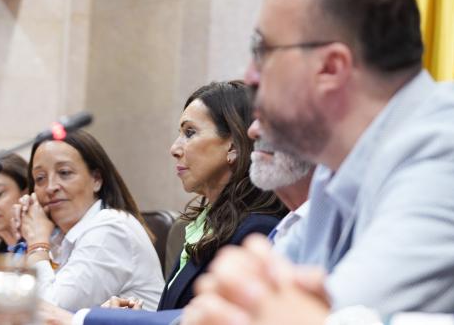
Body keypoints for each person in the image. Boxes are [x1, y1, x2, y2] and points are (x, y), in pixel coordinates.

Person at [183, 0, 454, 323]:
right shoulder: (340, 168)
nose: (251, 77)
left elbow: (325, 317)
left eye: (263, 53)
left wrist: (253, 300)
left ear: (331, 68)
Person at [38, 80, 290, 324]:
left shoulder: (256, 231)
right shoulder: (203, 223)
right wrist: (131, 319)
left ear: (233, 145)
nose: (174, 148)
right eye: (38, 178)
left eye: (190, 133)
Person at [15, 130, 164, 312]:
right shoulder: (58, 237)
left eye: (64, 172)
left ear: (96, 180)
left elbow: (48, 313)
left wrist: (36, 244)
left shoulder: (111, 228)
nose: (51, 187)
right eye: (40, 178)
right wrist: (20, 233)